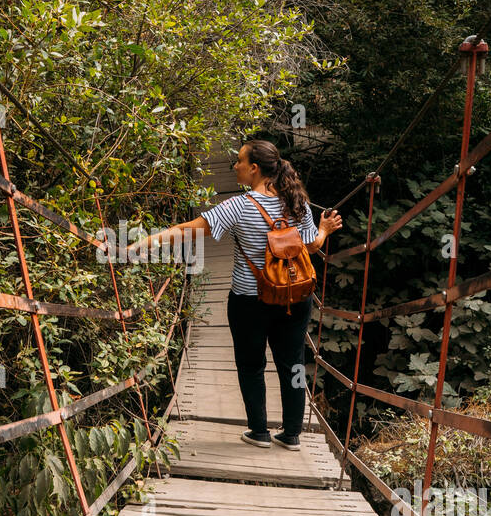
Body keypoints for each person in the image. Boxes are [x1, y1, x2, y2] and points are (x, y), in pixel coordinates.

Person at [128, 140, 342, 448]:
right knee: (293, 363)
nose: (235, 167)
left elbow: (189, 229)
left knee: (251, 364)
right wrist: (324, 230)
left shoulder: (239, 206)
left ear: (254, 168)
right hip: (296, 297)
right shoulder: (297, 202)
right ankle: (293, 433)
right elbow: (311, 246)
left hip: (249, 302)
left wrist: (142, 244)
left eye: (239, 161)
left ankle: (260, 432)